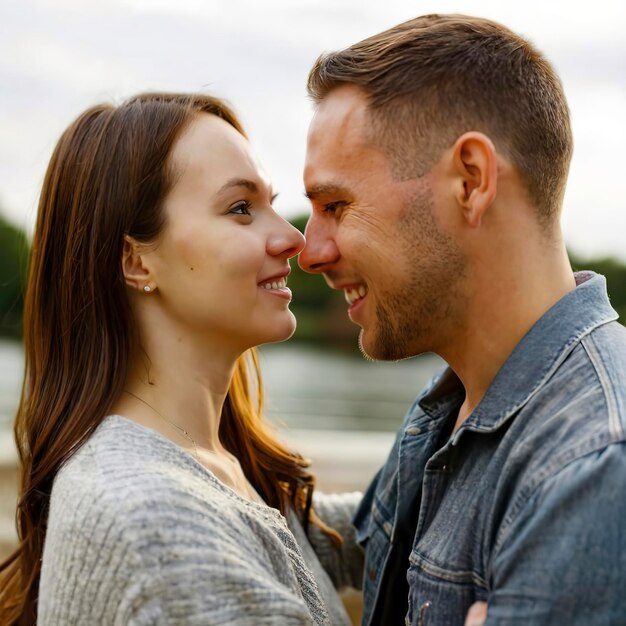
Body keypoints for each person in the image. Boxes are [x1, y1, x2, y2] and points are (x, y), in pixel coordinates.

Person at [299, 14, 626, 626]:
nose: (310, 251)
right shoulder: (455, 397)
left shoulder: (596, 466)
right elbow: (365, 543)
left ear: (471, 181)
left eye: (336, 205)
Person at [0, 92, 362, 625]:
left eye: (270, 202)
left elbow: (380, 525)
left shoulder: (220, 470)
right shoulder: (151, 518)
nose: (292, 239)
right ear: (136, 260)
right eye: (241, 208)